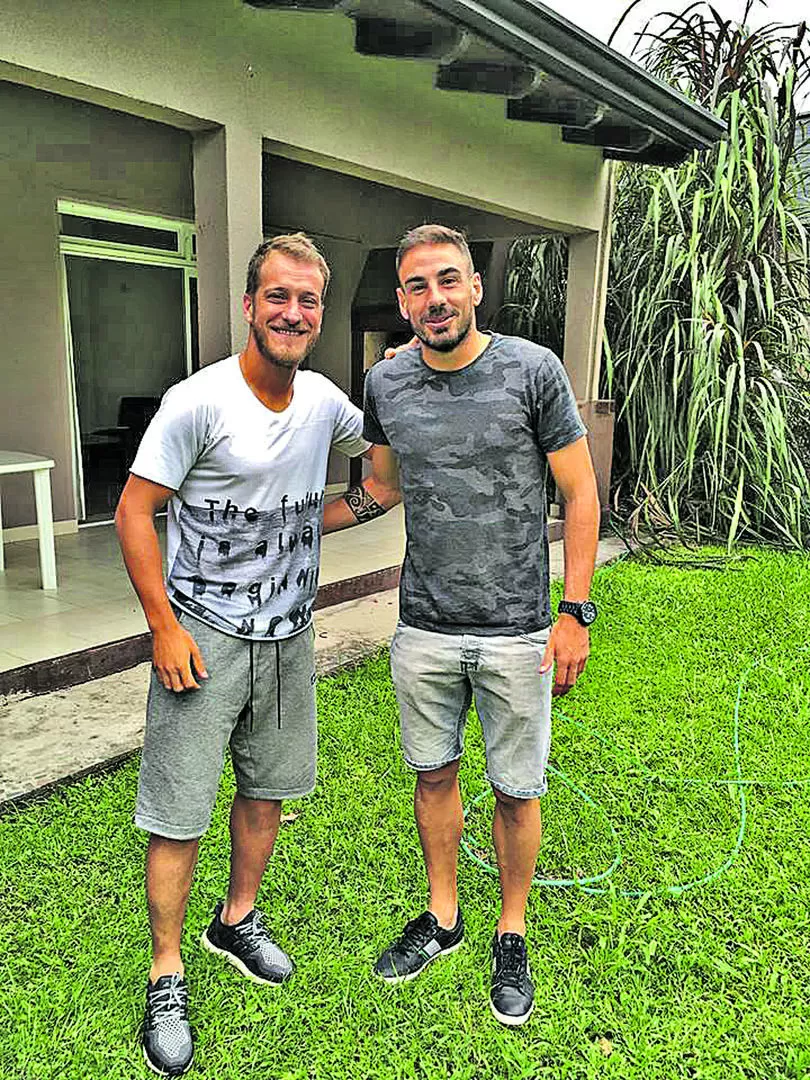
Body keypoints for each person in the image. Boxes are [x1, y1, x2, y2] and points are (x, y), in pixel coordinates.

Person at [115, 233, 400, 1077]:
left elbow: (379, 481)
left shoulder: (323, 403)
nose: (293, 312)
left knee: (268, 789)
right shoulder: (197, 403)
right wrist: (164, 628)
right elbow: (136, 513)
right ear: (249, 306)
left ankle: (236, 918)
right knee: (178, 809)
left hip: (289, 633)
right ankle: (167, 971)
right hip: (201, 635)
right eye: (278, 297)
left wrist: (324, 514)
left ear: (319, 316)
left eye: (308, 301)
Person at [330, 224, 600, 1027]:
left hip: (518, 625)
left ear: (475, 287)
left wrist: (574, 612)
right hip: (424, 626)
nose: (434, 299)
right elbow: (378, 488)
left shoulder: (532, 371)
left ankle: (509, 930)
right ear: (403, 301)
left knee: (516, 790)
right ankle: (444, 917)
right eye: (416, 287)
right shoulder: (388, 384)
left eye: (447, 281)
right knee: (434, 775)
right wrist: (289, 522)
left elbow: (579, 494)